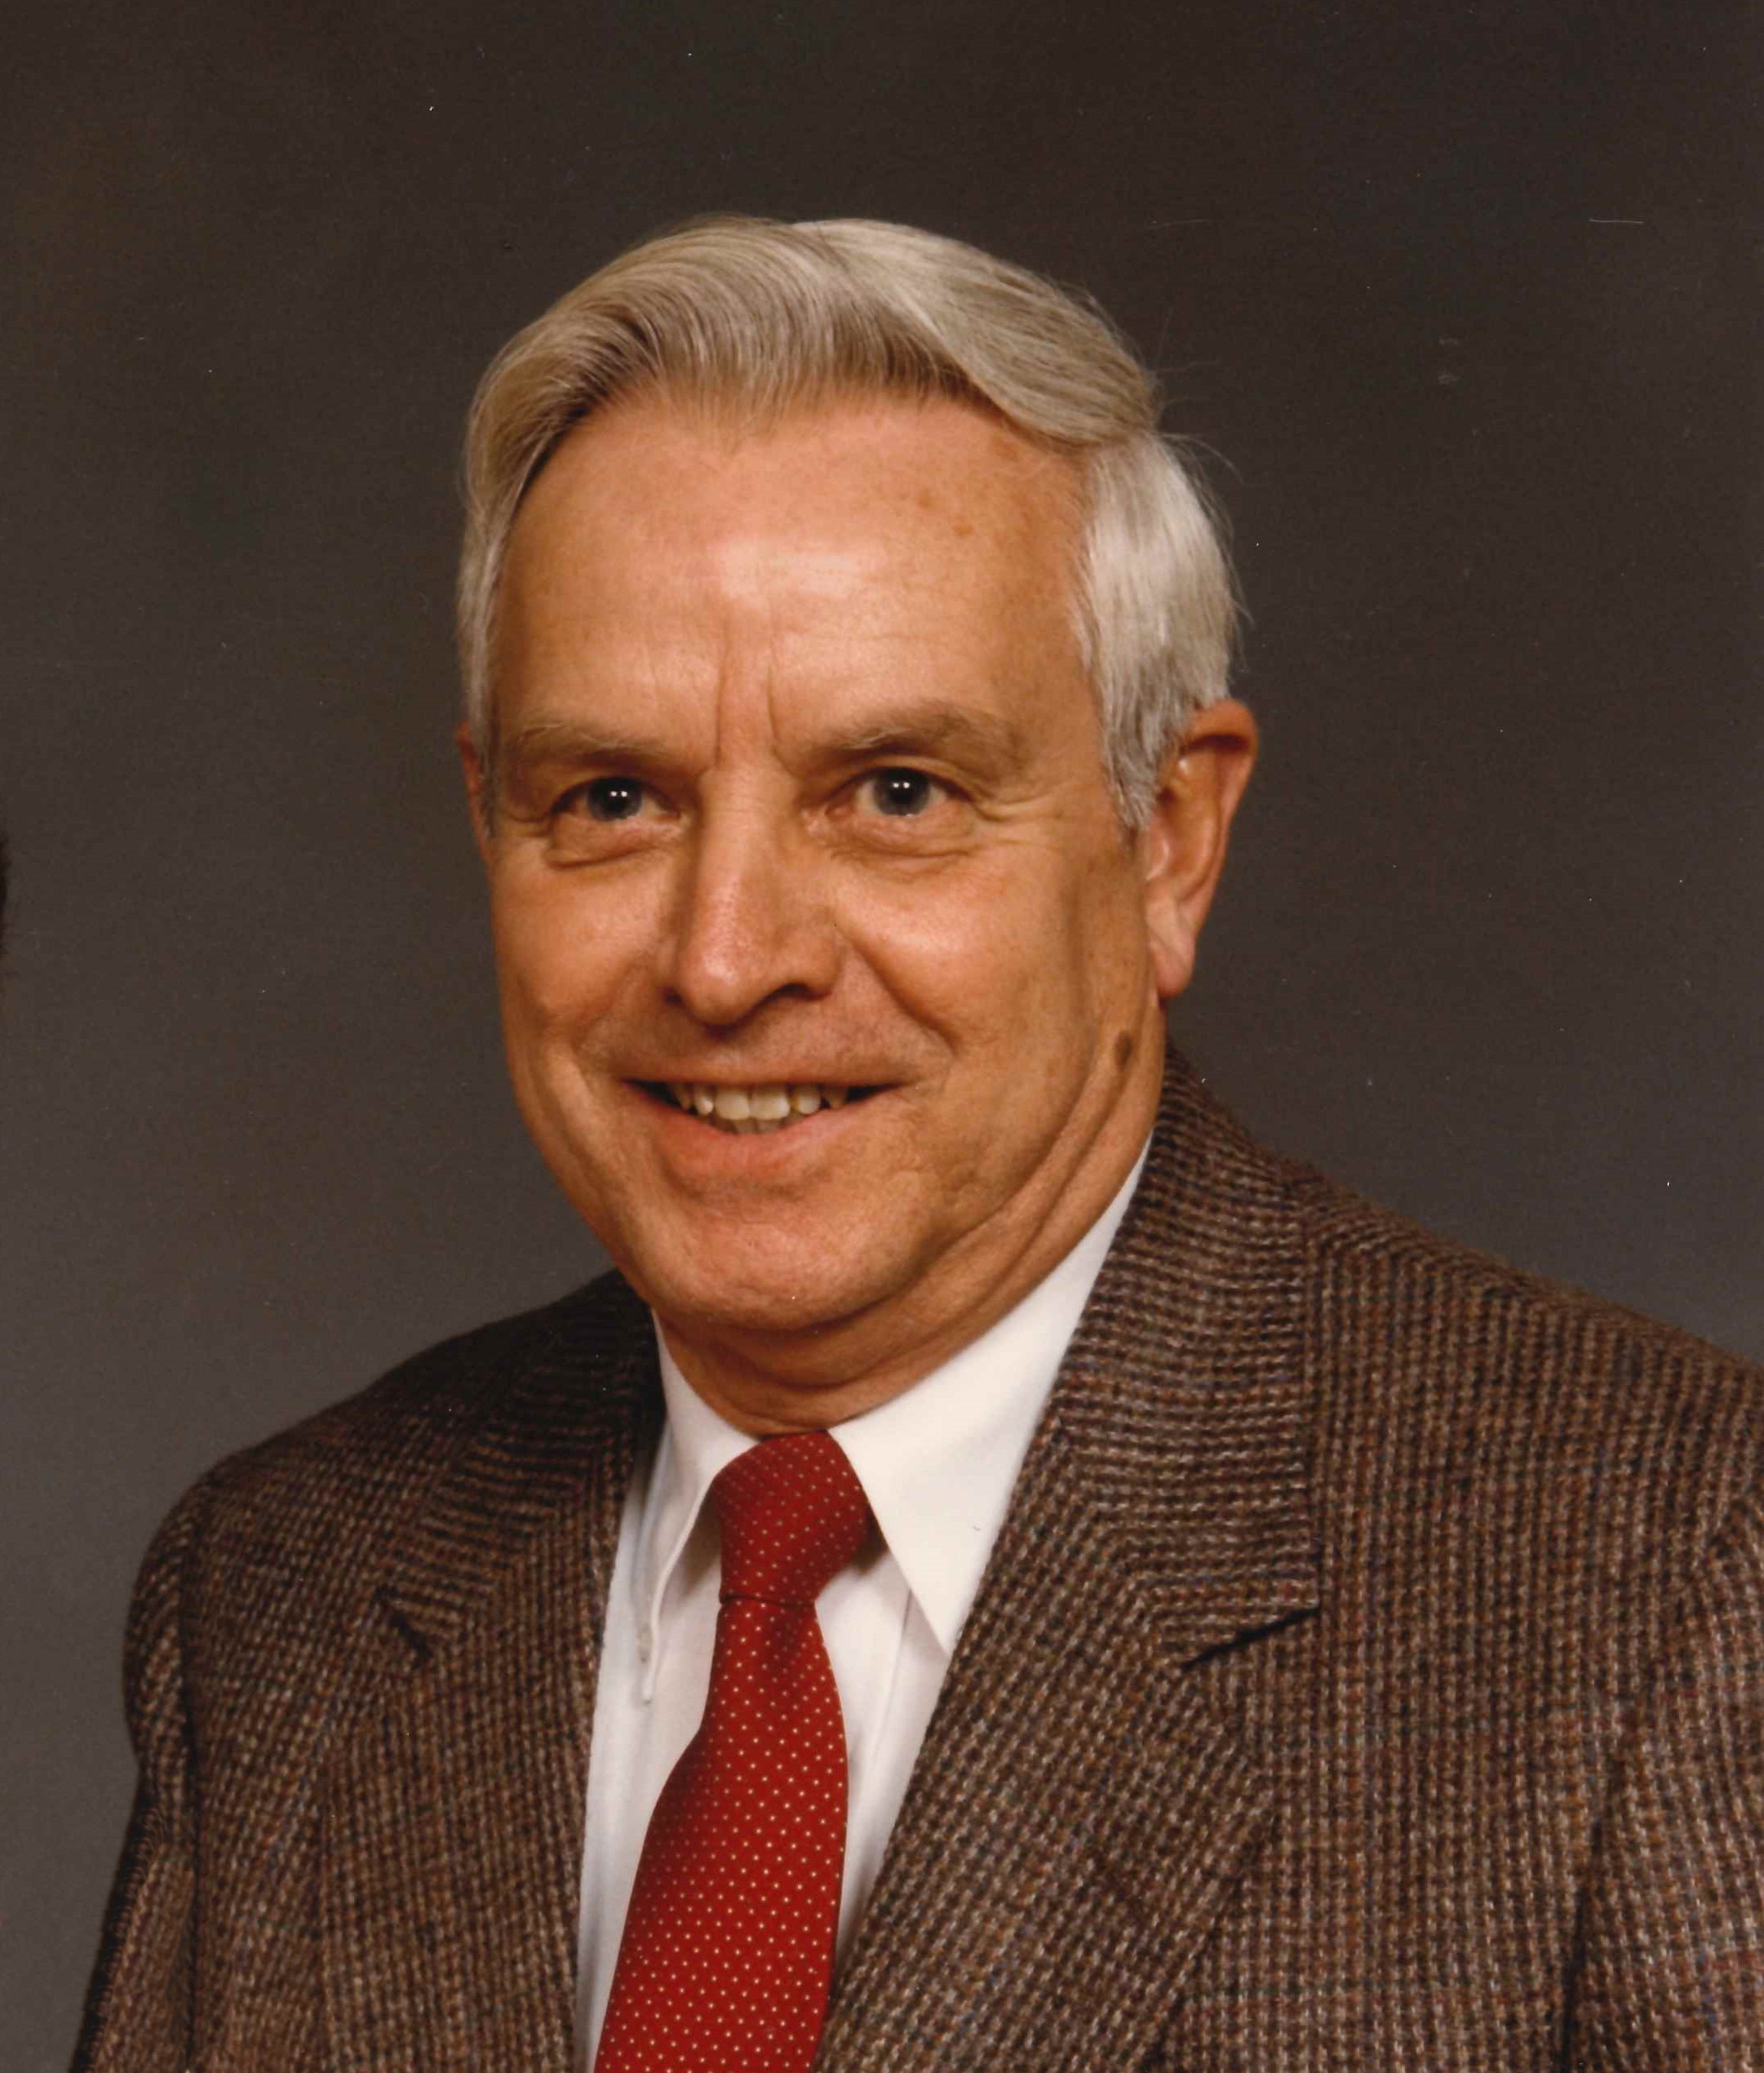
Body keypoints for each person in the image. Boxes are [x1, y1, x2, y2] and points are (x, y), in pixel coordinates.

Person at [75, 218, 1763, 2073]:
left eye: (895, 791)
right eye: (614, 796)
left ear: (1168, 840)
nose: (728, 959)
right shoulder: (280, 1594)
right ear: (492, 821)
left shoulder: (1667, 1581)